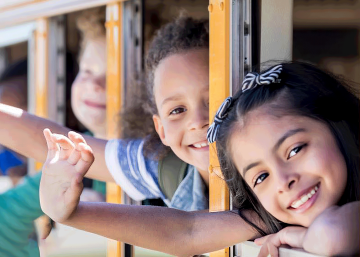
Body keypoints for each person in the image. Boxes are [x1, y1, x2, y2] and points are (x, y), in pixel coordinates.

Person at [40, 62, 359, 257]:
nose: (284, 179)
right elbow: (186, 231)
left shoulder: (305, 218)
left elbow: (335, 235)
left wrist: (297, 236)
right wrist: (69, 213)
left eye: (295, 149)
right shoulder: (274, 211)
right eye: (260, 177)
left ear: (338, 123)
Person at [0, 16, 211, 211]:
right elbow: (43, 142)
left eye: (112, 76)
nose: (94, 84)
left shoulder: (156, 160)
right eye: (87, 71)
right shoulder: (142, 163)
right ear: (160, 126)